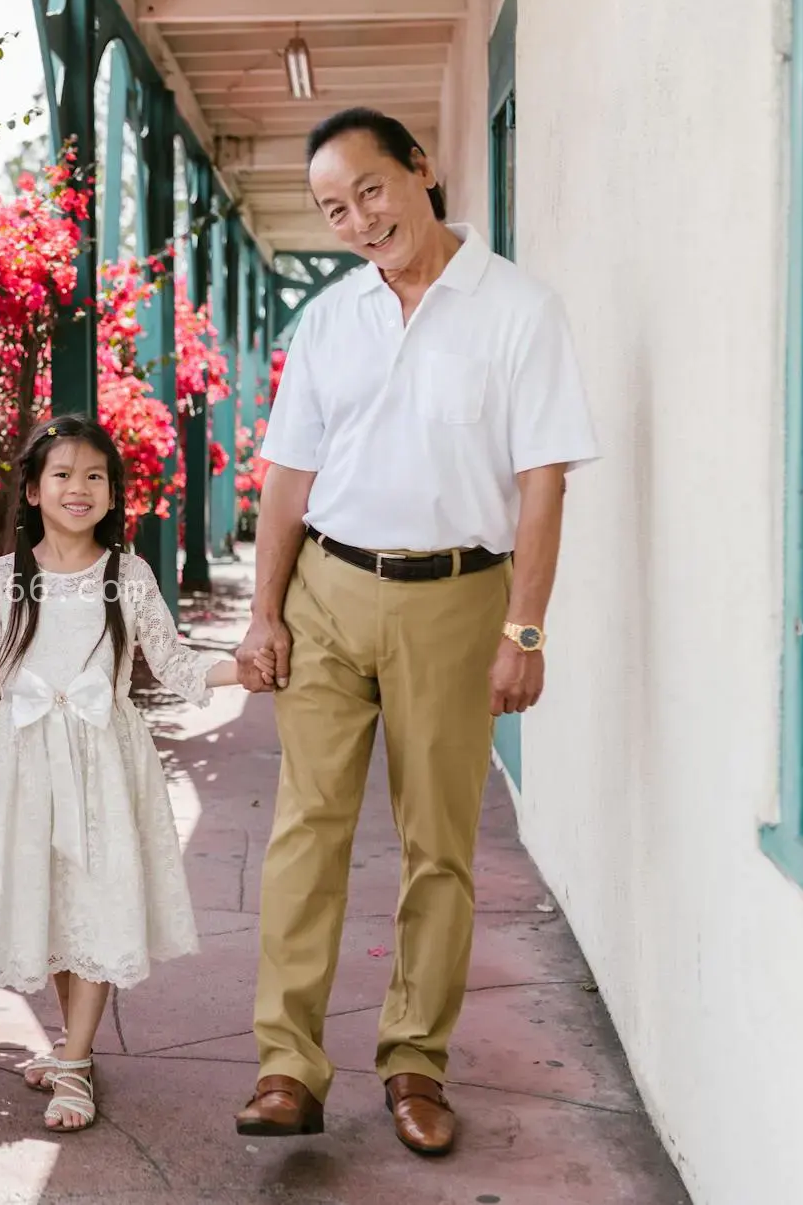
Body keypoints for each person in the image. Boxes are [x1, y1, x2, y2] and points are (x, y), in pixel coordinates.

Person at [232, 108, 599, 1156]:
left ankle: (414, 1062)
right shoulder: (327, 320)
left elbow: (541, 483)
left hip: (454, 599)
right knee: (307, 828)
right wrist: (263, 612)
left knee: (437, 843)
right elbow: (287, 479)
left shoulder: (517, 309)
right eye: (333, 208)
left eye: (370, 190)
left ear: (420, 172)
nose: (357, 219)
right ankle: (283, 1065)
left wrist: (523, 629)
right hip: (326, 589)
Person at [0, 414, 250, 1134]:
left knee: (98, 897)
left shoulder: (127, 575)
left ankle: (76, 1062)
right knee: (51, 901)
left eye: (95, 476)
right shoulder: (4, 576)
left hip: (101, 761)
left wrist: (249, 671)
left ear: (113, 493)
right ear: (32, 488)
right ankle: (73, 1042)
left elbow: (173, 663)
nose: (79, 488)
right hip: (22, 764)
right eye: (63, 474)